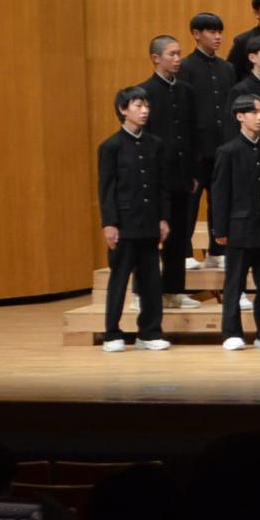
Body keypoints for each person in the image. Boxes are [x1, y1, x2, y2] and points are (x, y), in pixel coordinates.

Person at [211, 93, 260, 349]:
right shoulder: (228, 151)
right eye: (254, 112)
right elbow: (220, 193)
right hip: (239, 227)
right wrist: (220, 229)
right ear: (239, 116)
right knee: (235, 282)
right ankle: (231, 332)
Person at [97, 86, 170, 352]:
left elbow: (161, 186)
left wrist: (163, 218)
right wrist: (109, 223)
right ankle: (112, 333)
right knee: (119, 280)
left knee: (151, 281)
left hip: (150, 223)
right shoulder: (111, 146)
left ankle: (149, 333)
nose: (144, 111)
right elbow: (106, 188)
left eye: (146, 106)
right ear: (123, 110)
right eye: (138, 106)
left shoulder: (155, 144)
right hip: (124, 224)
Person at [137, 35, 201, 305]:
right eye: (172, 54)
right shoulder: (144, 93)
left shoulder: (186, 90)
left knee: (177, 235)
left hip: (182, 175)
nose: (177, 59)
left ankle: (174, 290)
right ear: (156, 58)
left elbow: (192, 131)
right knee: (150, 236)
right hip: (154, 177)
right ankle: (144, 292)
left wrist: (194, 172)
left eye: (179, 54)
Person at [177, 13, 235, 269]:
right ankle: (185, 251)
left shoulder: (227, 68)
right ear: (196, 34)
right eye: (211, 31)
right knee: (190, 200)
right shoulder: (185, 67)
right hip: (196, 148)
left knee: (219, 200)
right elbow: (182, 110)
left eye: (219, 31)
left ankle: (216, 250)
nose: (217, 36)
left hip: (222, 146)